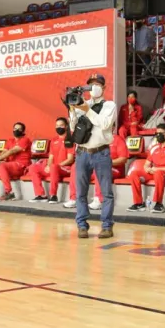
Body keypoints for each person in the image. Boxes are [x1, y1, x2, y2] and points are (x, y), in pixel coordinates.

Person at [68, 73, 117, 239]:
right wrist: (72, 110)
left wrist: (86, 110)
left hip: (101, 152)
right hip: (82, 152)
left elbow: (104, 124)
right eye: (91, 84)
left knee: (106, 192)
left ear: (104, 87)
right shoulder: (83, 103)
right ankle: (82, 225)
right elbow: (73, 126)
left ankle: (107, 226)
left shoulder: (109, 105)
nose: (94, 87)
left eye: (97, 84)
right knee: (81, 192)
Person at [126, 124, 165, 213]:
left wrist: (159, 169)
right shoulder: (154, 147)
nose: (158, 135)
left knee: (158, 173)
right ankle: (138, 203)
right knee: (134, 174)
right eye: (157, 133)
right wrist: (147, 168)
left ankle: (158, 203)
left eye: (161, 133)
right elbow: (146, 164)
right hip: (155, 172)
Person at [27, 118, 75, 204]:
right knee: (33, 167)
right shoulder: (54, 140)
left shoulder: (70, 138)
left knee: (54, 166)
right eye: (57, 126)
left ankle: (53, 195)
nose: (58, 127)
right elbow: (51, 157)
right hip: (54, 168)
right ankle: (41, 195)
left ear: (66, 126)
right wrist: (48, 166)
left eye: (61, 125)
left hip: (66, 168)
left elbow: (70, 159)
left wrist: (55, 166)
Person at [0, 122, 32, 201]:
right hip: (10, 166)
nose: (16, 130)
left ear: (23, 131)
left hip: (21, 166)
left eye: (19, 129)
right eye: (15, 128)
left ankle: (8, 192)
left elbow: (12, 151)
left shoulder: (25, 140)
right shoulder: (10, 140)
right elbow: (4, 151)